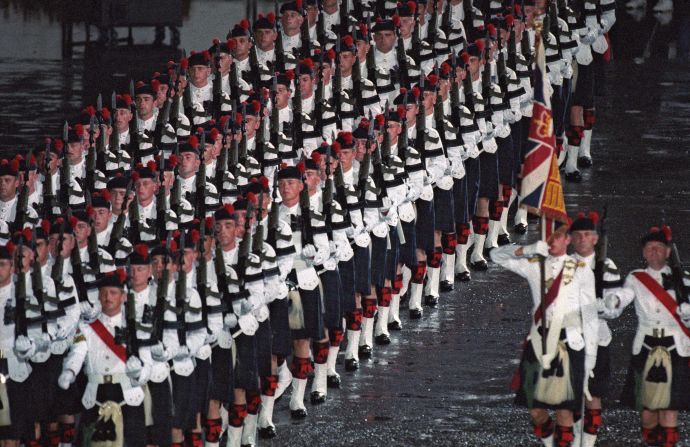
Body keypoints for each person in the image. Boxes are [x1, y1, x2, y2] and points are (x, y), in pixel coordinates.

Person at [491, 224, 598, 447]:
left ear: (567, 240)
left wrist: (590, 359)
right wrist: (526, 249)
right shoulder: (534, 265)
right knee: (535, 409)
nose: (551, 241)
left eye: (557, 237)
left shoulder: (580, 269)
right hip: (539, 342)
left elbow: (589, 316)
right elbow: (495, 255)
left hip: (570, 341)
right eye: (548, 236)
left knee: (564, 410)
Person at [606, 226, 690, 447]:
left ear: (668, 252)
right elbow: (626, 294)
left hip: (676, 346)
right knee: (648, 414)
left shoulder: (684, 279)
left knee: (670, 410)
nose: (654, 252)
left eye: (659, 248)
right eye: (650, 248)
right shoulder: (636, 278)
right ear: (644, 253)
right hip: (645, 346)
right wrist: (614, 299)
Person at [568, 211, 625, 447]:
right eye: (578, 235)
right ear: (571, 238)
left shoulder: (607, 265)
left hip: (598, 339)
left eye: (587, 234)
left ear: (595, 239)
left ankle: (589, 442)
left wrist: (605, 307)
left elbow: (616, 308)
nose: (582, 239)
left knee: (594, 395)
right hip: (570, 338)